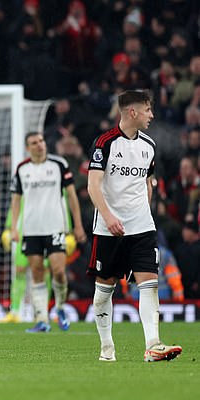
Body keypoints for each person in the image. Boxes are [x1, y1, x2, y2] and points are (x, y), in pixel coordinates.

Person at [87, 89, 182, 362]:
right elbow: (94, 186)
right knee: (103, 292)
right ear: (133, 112)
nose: (151, 115)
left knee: (149, 284)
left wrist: (145, 211)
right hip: (108, 229)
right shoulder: (105, 143)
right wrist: (108, 217)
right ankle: (107, 349)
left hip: (142, 228)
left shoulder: (149, 146)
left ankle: (153, 345)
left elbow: (147, 181)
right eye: (148, 110)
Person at [10, 131, 87, 332]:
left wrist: (77, 225)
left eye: (41, 141)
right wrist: (13, 228)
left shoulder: (59, 165)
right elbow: (16, 200)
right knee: (36, 272)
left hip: (55, 227)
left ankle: (60, 307)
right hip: (31, 229)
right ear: (28, 148)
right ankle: (42, 319)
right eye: (34, 143)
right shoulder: (22, 169)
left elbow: (72, 196)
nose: (39, 145)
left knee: (59, 272)